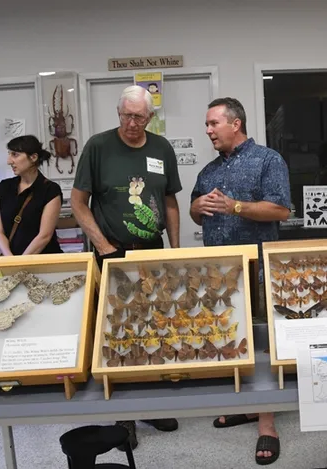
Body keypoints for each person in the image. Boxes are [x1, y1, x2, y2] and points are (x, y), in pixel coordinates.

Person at [71, 85, 182, 450]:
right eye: (125, 115)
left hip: (151, 252)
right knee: (121, 332)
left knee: (154, 326)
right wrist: (104, 247)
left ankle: (150, 403)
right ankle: (124, 417)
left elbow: (169, 201)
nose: (131, 123)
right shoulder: (98, 147)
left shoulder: (161, 148)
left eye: (139, 117)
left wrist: (177, 251)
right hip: (112, 253)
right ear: (118, 113)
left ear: (150, 118)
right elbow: (79, 203)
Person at [191, 97, 290, 465]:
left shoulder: (268, 160)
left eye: (213, 123)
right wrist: (197, 208)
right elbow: (195, 209)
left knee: (262, 348)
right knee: (231, 340)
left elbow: (280, 209)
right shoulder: (209, 170)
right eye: (207, 124)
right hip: (220, 275)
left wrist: (235, 206)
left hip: (259, 273)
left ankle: (267, 424)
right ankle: (246, 405)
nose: (208, 130)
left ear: (235, 124)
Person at [0, 135, 63, 256]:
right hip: (10, 261)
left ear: (33, 157)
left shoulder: (50, 190)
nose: (9, 161)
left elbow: (44, 236)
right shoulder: (4, 188)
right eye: (9, 154)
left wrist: (21, 263)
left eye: (15, 155)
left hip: (43, 261)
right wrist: (10, 260)